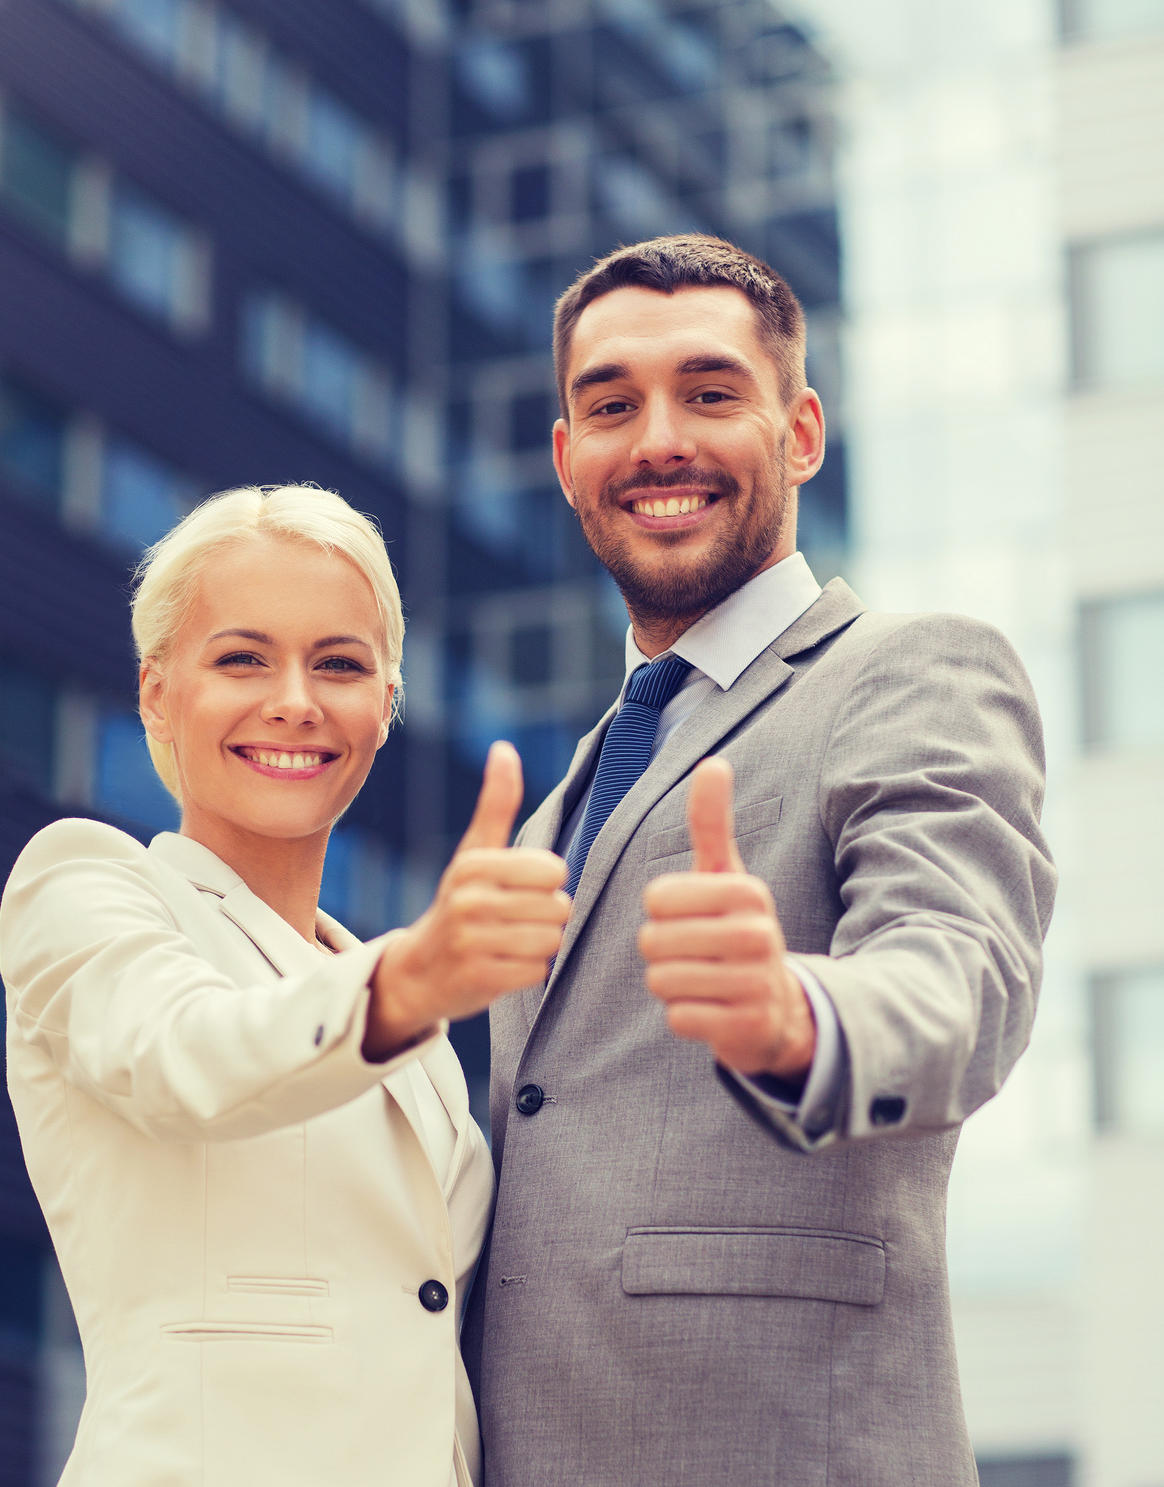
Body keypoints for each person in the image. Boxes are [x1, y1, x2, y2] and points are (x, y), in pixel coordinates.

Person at [462, 236, 1057, 1486]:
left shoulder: (910, 671)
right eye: (611, 404)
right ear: (568, 460)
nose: (659, 439)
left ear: (799, 432)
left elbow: (959, 973)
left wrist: (795, 1012)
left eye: (711, 392)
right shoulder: (559, 802)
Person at [0, 485, 570, 1487]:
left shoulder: (412, 1026)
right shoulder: (85, 883)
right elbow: (186, 1052)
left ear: (385, 707)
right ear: (156, 693)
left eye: (340, 664)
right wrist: (411, 980)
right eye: (242, 657)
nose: (295, 699)